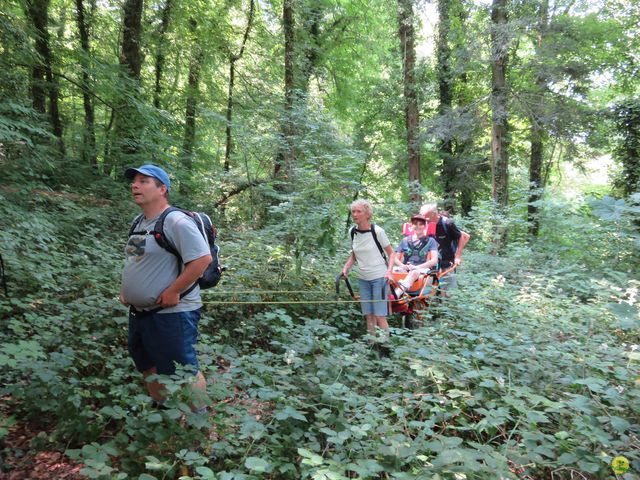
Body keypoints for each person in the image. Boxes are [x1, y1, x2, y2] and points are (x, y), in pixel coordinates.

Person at [119, 164, 212, 411]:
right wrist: (127, 290)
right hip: (141, 313)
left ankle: (198, 421)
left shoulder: (176, 221)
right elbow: (134, 259)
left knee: (185, 371)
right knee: (147, 364)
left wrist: (174, 291)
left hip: (173, 313)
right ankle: (162, 411)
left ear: (162, 189)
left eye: (143, 181)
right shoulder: (139, 222)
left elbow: (202, 260)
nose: (134, 185)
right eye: (134, 181)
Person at [341, 199, 394, 341]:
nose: (355, 214)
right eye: (353, 211)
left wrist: (389, 271)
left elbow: (391, 253)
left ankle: (386, 346)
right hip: (363, 278)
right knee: (368, 315)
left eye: (359, 211)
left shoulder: (377, 231)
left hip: (379, 278)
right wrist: (346, 268)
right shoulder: (352, 232)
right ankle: (372, 345)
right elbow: (354, 254)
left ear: (367, 214)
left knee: (379, 315)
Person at [420, 203, 470, 291]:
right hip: (431, 264)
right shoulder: (425, 225)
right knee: (427, 292)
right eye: (423, 216)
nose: (424, 219)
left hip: (447, 262)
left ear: (434, 214)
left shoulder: (447, 223)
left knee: (449, 292)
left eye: (426, 217)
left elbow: (462, 236)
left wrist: (458, 256)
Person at [392, 214, 439, 296]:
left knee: (414, 272)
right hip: (405, 268)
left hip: (422, 271)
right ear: (411, 226)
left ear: (425, 226)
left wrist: (417, 267)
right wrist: (403, 266)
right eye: (415, 224)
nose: (418, 226)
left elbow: (434, 260)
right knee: (387, 272)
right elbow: (395, 258)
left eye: (420, 224)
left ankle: (397, 294)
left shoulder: (431, 241)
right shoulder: (405, 240)